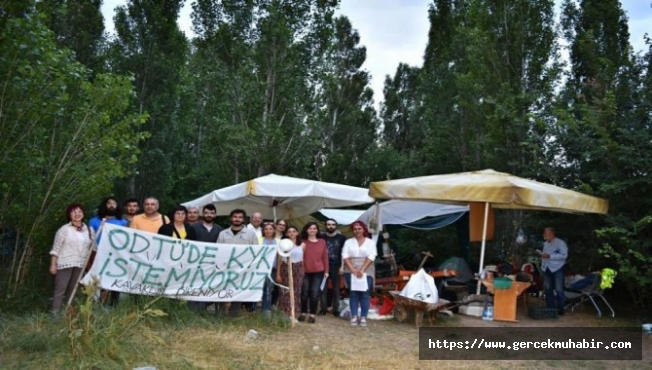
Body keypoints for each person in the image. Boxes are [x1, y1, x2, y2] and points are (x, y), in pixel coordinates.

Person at [49, 204, 96, 316]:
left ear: (83, 214)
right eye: (74, 212)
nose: (77, 214)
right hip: (65, 262)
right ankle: (55, 313)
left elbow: (94, 248)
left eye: (80, 211)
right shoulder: (64, 230)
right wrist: (53, 265)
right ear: (69, 215)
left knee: (73, 289)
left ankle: (67, 311)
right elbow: (56, 249)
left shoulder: (89, 230)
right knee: (60, 288)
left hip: (81, 264)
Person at [217, 209, 259, 316]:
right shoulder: (223, 234)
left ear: (244, 219)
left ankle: (234, 313)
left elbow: (255, 251)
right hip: (225, 268)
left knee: (238, 291)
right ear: (231, 218)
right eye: (235, 217)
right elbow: (217, 250)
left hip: (242, 269)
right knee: (222, 289)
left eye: (240, 217)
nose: (237, 219)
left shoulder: (251, 234)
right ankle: (221, 313)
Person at [88, 196, 128, 306]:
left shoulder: (123, 222)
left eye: (114, 203)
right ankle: (93, 303)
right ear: (104, 205)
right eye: (109, 203)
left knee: (110, 279)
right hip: (97, 254)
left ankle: (108, 304)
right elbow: (89, 238)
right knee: (96, 278)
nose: (111, 205)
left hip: (115, 256)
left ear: (117, 206)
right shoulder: (94, 221)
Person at [188, 203, 223, 313]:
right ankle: (191, 312)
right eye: (206, 212)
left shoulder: (220, 230)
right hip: (195, 264)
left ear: (215, 215)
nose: (209, 215)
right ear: (202, 214)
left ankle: (202, 310)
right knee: (194, 287)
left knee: (207, 288)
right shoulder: (192, 228)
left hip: (212, 265)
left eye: (212, 213)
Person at [342, 220, 377, 327]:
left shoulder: (370, 242)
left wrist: (362, 269)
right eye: (355, 229)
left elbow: (372, 256)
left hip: (367, 268)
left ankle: (363, 317)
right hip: (350, 268)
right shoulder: (348, 242)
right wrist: (353, 270)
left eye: (359, 229)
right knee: (353, 293)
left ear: (364, 229)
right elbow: (345, 256)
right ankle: (354, 315)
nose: (357, 231)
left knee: (365, 294)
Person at [298, 222, 328, 324]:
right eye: (310, 228)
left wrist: (327, 271)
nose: (312, 230)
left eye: (314, 228)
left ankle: (312, 314)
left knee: (314, 294)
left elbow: (325, 257)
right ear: (306, 230)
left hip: (318, 271)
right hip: (304, 271)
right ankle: (303, 312)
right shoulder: (302, 242)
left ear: (317, 230)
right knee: (304, 293)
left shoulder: (322, 242)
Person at [276, 225, 304, 321]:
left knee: (296, 291)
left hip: (298, 268)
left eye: (294, 231)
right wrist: (278, 274)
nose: (292, 233)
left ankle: (292, 314)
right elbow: (279, 260)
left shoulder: (302, 245)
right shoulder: (282, 244)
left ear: (297, 233)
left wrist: (303, 271)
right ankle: (284, 313)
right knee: (284, 290)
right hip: (285, 267)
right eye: (289, 231)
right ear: (287, 233)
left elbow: (304, 260)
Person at [320, 218, 346, 316]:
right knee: (323, 288)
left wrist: (342, 267)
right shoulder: (321, 237)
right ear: (325, 225)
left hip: (337, 265)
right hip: (324, 265)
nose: (331, 226)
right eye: (329, 224)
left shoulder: (342, 238)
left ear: (336, 226)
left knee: (336, 289)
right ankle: (323, 308)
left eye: (333, 224)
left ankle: (336, 309)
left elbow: (344, 253)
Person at [539, 227, 568, 315]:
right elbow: (545, 255)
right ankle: (550, 307)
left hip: (557, 268)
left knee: (559, 289)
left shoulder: (560, 243)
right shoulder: (545, 244)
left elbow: (564, 255)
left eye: (545, 233)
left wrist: (550, 256)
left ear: (551, 234)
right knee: (548, 288)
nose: (544, 235)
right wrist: (543, 257)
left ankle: (560, 309)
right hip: (547, 267)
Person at [259, 222, 279, 315]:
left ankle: (266, 310)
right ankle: (253, 308)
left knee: (269, 289)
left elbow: (279, 259)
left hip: (272, 269)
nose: (268, 231)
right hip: (260, 268)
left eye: (270, 229)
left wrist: (278, 272)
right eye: (266, 229)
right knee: (259, 288)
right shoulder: (259, 240)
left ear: (274, 230)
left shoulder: (278, 241)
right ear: (263, 230)